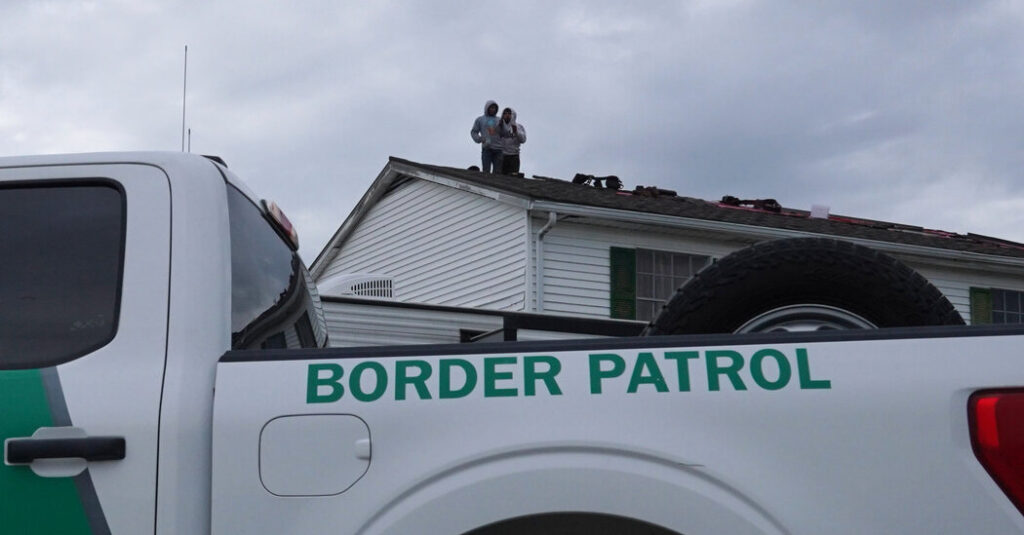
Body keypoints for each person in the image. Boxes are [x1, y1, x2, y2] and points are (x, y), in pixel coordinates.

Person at [470, 100, 502, 172]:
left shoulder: (499, 120)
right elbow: (474, 132)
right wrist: (480, 139)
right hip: (487, 148)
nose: (493, 109)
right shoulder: (480, 119)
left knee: (498, 172)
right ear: (487, 108)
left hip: (498, 149)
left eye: (494, 108)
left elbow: (504, 132)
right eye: (491, 108)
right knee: (486, 171)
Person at [498, 107, 527, 175]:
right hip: (502, 155)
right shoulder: (500, 125)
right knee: (500, 177)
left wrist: (516, 132)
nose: (507, 115)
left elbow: (523, 140)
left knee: (513, 177)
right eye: (505, 113)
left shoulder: (519, 126)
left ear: (513, 115)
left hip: (514, 156)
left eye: (509, 113)